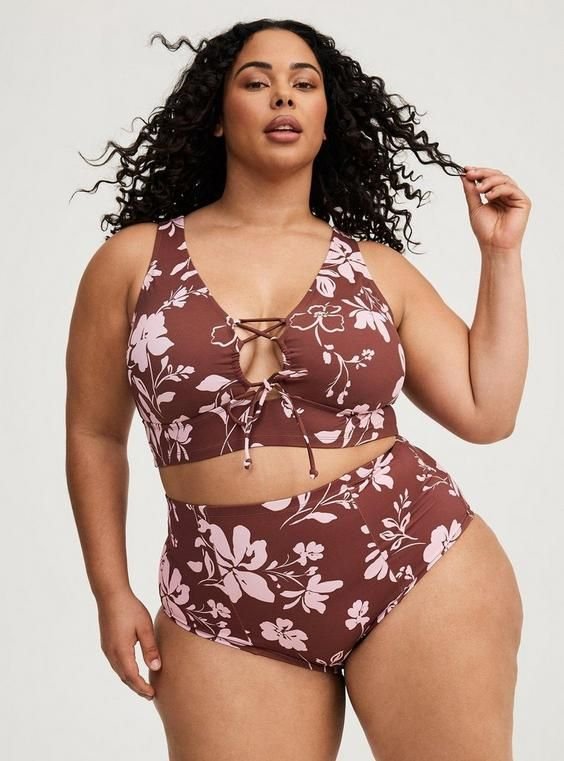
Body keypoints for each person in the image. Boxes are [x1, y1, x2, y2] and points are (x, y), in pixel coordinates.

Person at [65, 18, 530, 761]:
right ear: (216, 117)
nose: (282, 95)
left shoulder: (376, 269)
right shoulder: (132, 262)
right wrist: (110, 590)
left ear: (325, 121)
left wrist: (500, 254)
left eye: (304, 84)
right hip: (220, 597)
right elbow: (92, 432)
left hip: (412, 562)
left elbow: (487, 409)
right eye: (257, 82)